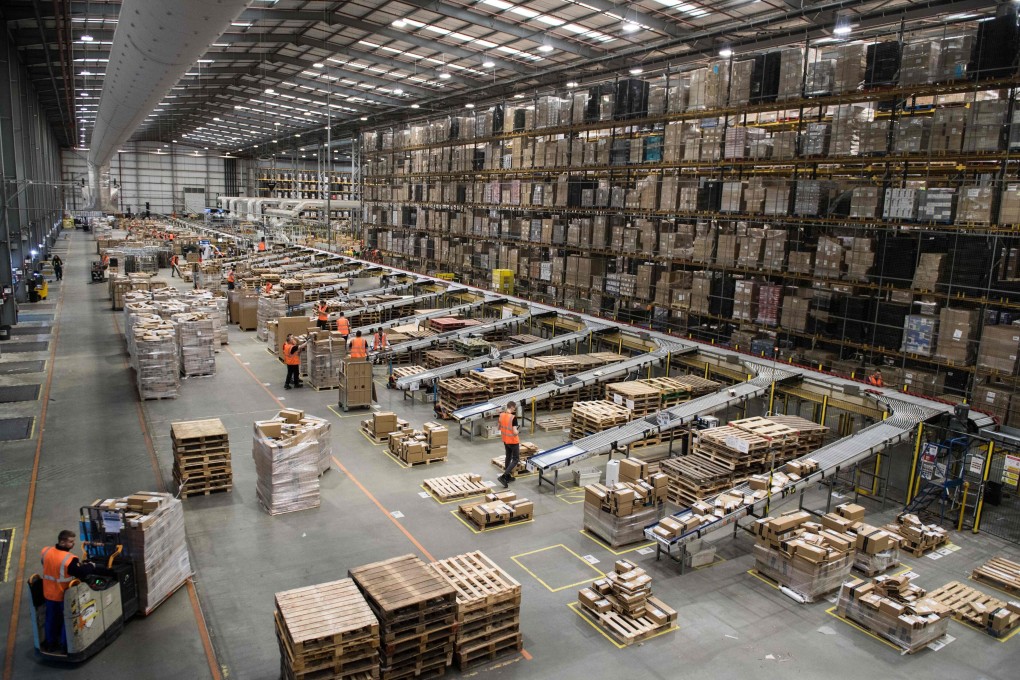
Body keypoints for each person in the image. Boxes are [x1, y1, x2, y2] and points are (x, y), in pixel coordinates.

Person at [40, 530, 94, 652]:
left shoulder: (46, 551)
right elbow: (80, 572)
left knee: (51, 619)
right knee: (68, 620)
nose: (73, 544)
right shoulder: (69, 559)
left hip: (48, 593)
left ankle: (51, 643)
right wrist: (91, 565)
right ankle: (66, 646)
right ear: (62, 542)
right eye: (71, 542)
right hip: (63, 595)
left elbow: (47, 566)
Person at [498, 403, 520, 488]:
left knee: (508, 456)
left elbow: (498, 428)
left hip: (505, 440)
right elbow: (515, 432)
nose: (515, 409)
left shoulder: (501, 415)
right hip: (513, 441)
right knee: (515, 459)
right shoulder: (513, 417)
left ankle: (507, 477)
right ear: (512, 407)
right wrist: (518, 431)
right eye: (514, 408)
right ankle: (504, 476)